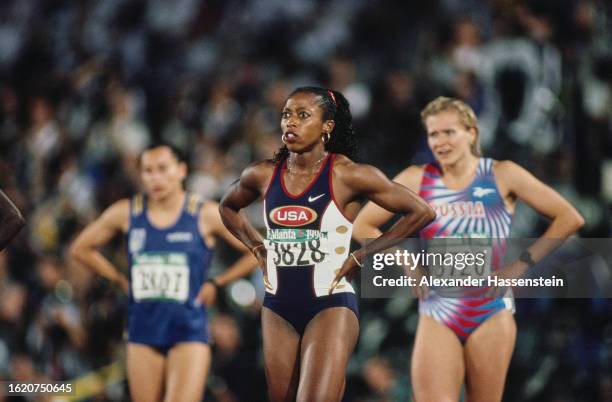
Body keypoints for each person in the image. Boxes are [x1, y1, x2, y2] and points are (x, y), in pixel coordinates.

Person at [352, 96, 584, 402]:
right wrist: (404, 259)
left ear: (471, 133)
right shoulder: (417, 178)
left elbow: (569, 217)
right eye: (434, 134)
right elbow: (362, 225)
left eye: (449, 132)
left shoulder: (504, 174)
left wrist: (520, 266)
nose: (440, 141)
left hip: (490, 310)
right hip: (438, 307)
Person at [219, 86, 435, 402]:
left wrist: (362, 255)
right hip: (277, 307)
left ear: (327, 127)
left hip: (330, 305)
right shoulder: (262, 173)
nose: (290, 123)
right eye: (286, 115)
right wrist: (258, 247)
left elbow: (421, 211)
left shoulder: (348, 174)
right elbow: (227, 208)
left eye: (302, 115)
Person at [70, 143, 258, 402]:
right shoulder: (127, 212)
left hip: (188, 331)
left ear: (181, 170)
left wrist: (217, 283)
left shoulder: (204, 213)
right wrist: (119, 279)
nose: (154, 177)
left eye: (162, 169)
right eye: (147, 170)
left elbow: (258, 248)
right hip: (143, 331)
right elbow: (80, 248)